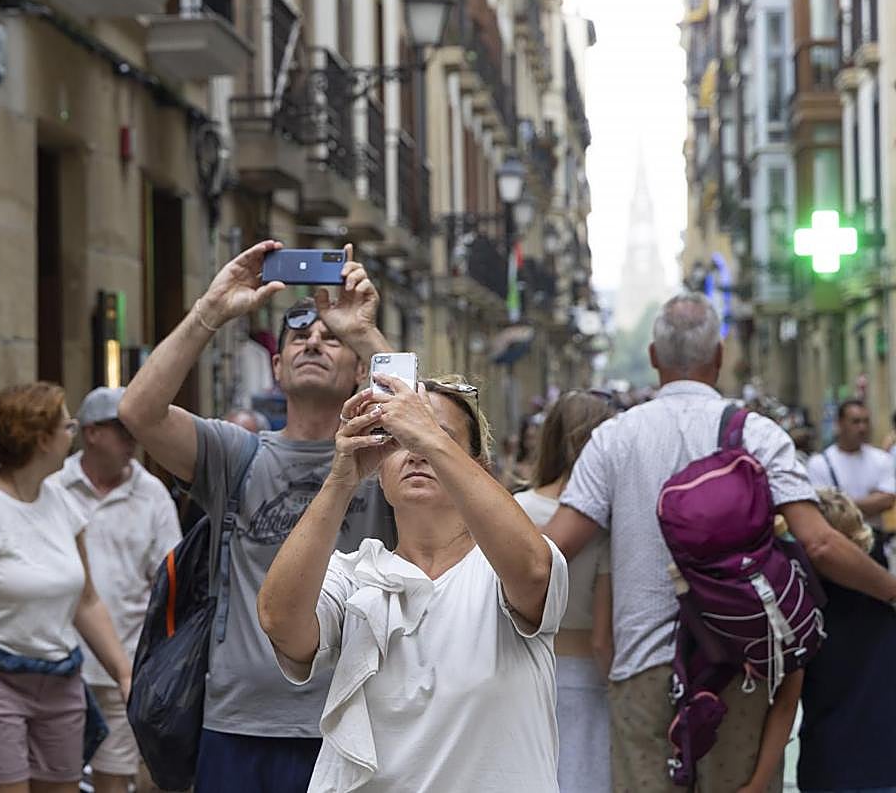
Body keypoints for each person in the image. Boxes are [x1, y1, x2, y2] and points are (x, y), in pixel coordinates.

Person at [543, 292, 896, 792]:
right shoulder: (760, 435)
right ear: (719, 357)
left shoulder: (614, 439)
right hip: (741, 667)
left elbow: (552, 552)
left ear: (652, 358)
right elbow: (820, 544)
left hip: (642, 669)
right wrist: (890, 590)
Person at [118, 241, 396, 793]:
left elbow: (437, 438)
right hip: (239, 723)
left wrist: (365, 330)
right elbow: (138, 412)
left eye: (332, 338)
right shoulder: (236, 454)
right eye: (299, 337)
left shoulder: (390, 459)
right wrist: (210, 311)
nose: (314, 341)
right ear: (276, 366)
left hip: (355, 726)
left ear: (361, 371)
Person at [257, 374, 567, 791]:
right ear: (380, 470)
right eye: (398, 440)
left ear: (478, 467)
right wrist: (341, 479)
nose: (416, 453)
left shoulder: (502, 568)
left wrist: (426, 438)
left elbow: (533, 574)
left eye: (437, 437)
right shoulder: (356, 576)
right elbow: (279, 621)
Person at [0, 382, 132, 792]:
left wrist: (125, 673)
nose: (73, 432)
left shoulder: (60, 500)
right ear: (41, 438)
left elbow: (86, 601)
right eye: (66, 425)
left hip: (60, 676)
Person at [44, 386, 181, 793]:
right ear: (90, 433)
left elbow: (168, 579)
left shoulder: (152, 493)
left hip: (126, 663)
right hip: (58, 664)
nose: (132, 443)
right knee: (57, 779)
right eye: (122, 432)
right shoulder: (54, 486)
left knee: (115, 779)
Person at [513, 390, 615, 793]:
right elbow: (603, 637)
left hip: (525, 676)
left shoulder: (517, 508)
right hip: (588, 677)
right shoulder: (605, 520)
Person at [797, 487, 896, 793]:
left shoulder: (802, 615)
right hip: (886, 766)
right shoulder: (886, 603)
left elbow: (786, 704)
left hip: (826, 769)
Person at [806, 400, 896, 528]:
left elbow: (887, 500)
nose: (862, 428)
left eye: (866, 421)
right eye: (856, 422)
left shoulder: (882, 459)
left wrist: (841, 505)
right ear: (839, 424)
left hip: (875, 539)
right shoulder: (819, 463)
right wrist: (871, 501)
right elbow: (823, 509)